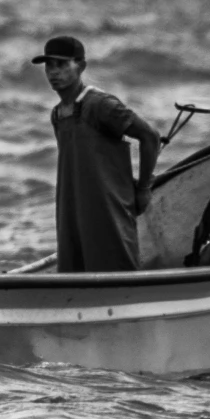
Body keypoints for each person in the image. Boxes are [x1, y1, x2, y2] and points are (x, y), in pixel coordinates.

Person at [29, 34, 162, 273]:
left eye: (61, 64)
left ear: (80, 66)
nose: (53, 72)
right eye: (49, 65)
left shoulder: (100, 105)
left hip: (107, 210)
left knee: (115, 269)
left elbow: (150, 137)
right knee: (75, 273)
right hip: (73, 210)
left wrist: (143, 189)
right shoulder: (58, 114)